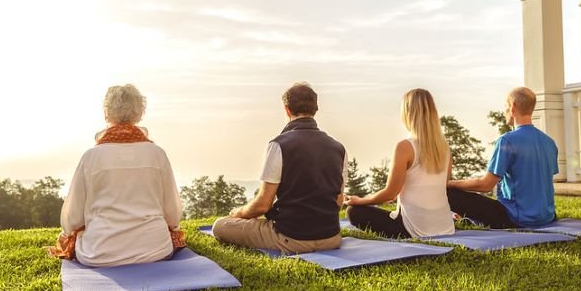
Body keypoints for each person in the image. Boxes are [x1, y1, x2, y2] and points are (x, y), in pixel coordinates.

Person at [49, 84, 184, 266]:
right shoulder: (157, 153)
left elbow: (72, 219)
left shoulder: (91, 157)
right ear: (140, 113)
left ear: (106, 113)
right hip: (155, 249)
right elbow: (173, 215)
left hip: (99, 253)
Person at [212, 82, 347, 254]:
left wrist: (237, 213)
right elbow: (338, 202)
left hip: (291, 239)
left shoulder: (279, 144)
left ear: (287, 109)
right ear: (315, 109)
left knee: (220, 225)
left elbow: (262, 205)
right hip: (331, 239)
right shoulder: (339, 148)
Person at [344, 88, 455, 238]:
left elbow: (390, 194)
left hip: (413, 229)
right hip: (445, 226)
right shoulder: (445, 148)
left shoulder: (405, 146)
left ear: (407, 113)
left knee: (353, 211)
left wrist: (361, 200)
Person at [447, 86, 558, 228]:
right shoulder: (549, 142)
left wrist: (449, 183)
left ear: (512, 107)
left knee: (449, 193)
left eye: (505, 106)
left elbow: (485, 185)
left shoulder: (506, 141)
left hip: (514, 218)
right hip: (547, 217)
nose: (504, 111)